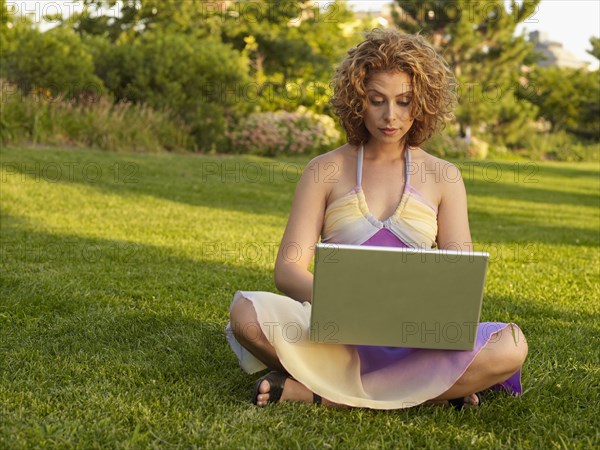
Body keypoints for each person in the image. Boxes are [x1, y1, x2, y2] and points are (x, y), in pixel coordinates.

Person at [226, 29, 528, 409]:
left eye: (404, 102)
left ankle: (324, 396)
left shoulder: (444, 177)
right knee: (246, 313)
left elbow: (459, 281)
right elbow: (288, 269)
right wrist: (352, 306)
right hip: (336, 338)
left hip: (415, 341)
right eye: (376, 101)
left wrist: (404, 314)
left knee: (512, 344)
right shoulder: (325, 170)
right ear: (357, 101)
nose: (391, 116)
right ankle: (432, 393)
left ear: (422, 104)